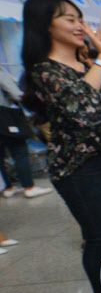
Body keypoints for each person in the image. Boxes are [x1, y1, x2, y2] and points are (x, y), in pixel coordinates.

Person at [21, 0, 101, 293]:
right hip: (76, 167)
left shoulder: (85, 65)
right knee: (98, 236)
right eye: (69, 18)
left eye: (79, 18)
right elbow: (82, 107)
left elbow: (97, 108)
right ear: (46, 25)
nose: (79, 25)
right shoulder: (44, 71)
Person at [0, 66, 53, 199]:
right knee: (19, 151)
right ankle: (29, 187)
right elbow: (14, 93)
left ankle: (8, 188)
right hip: (5, 117)